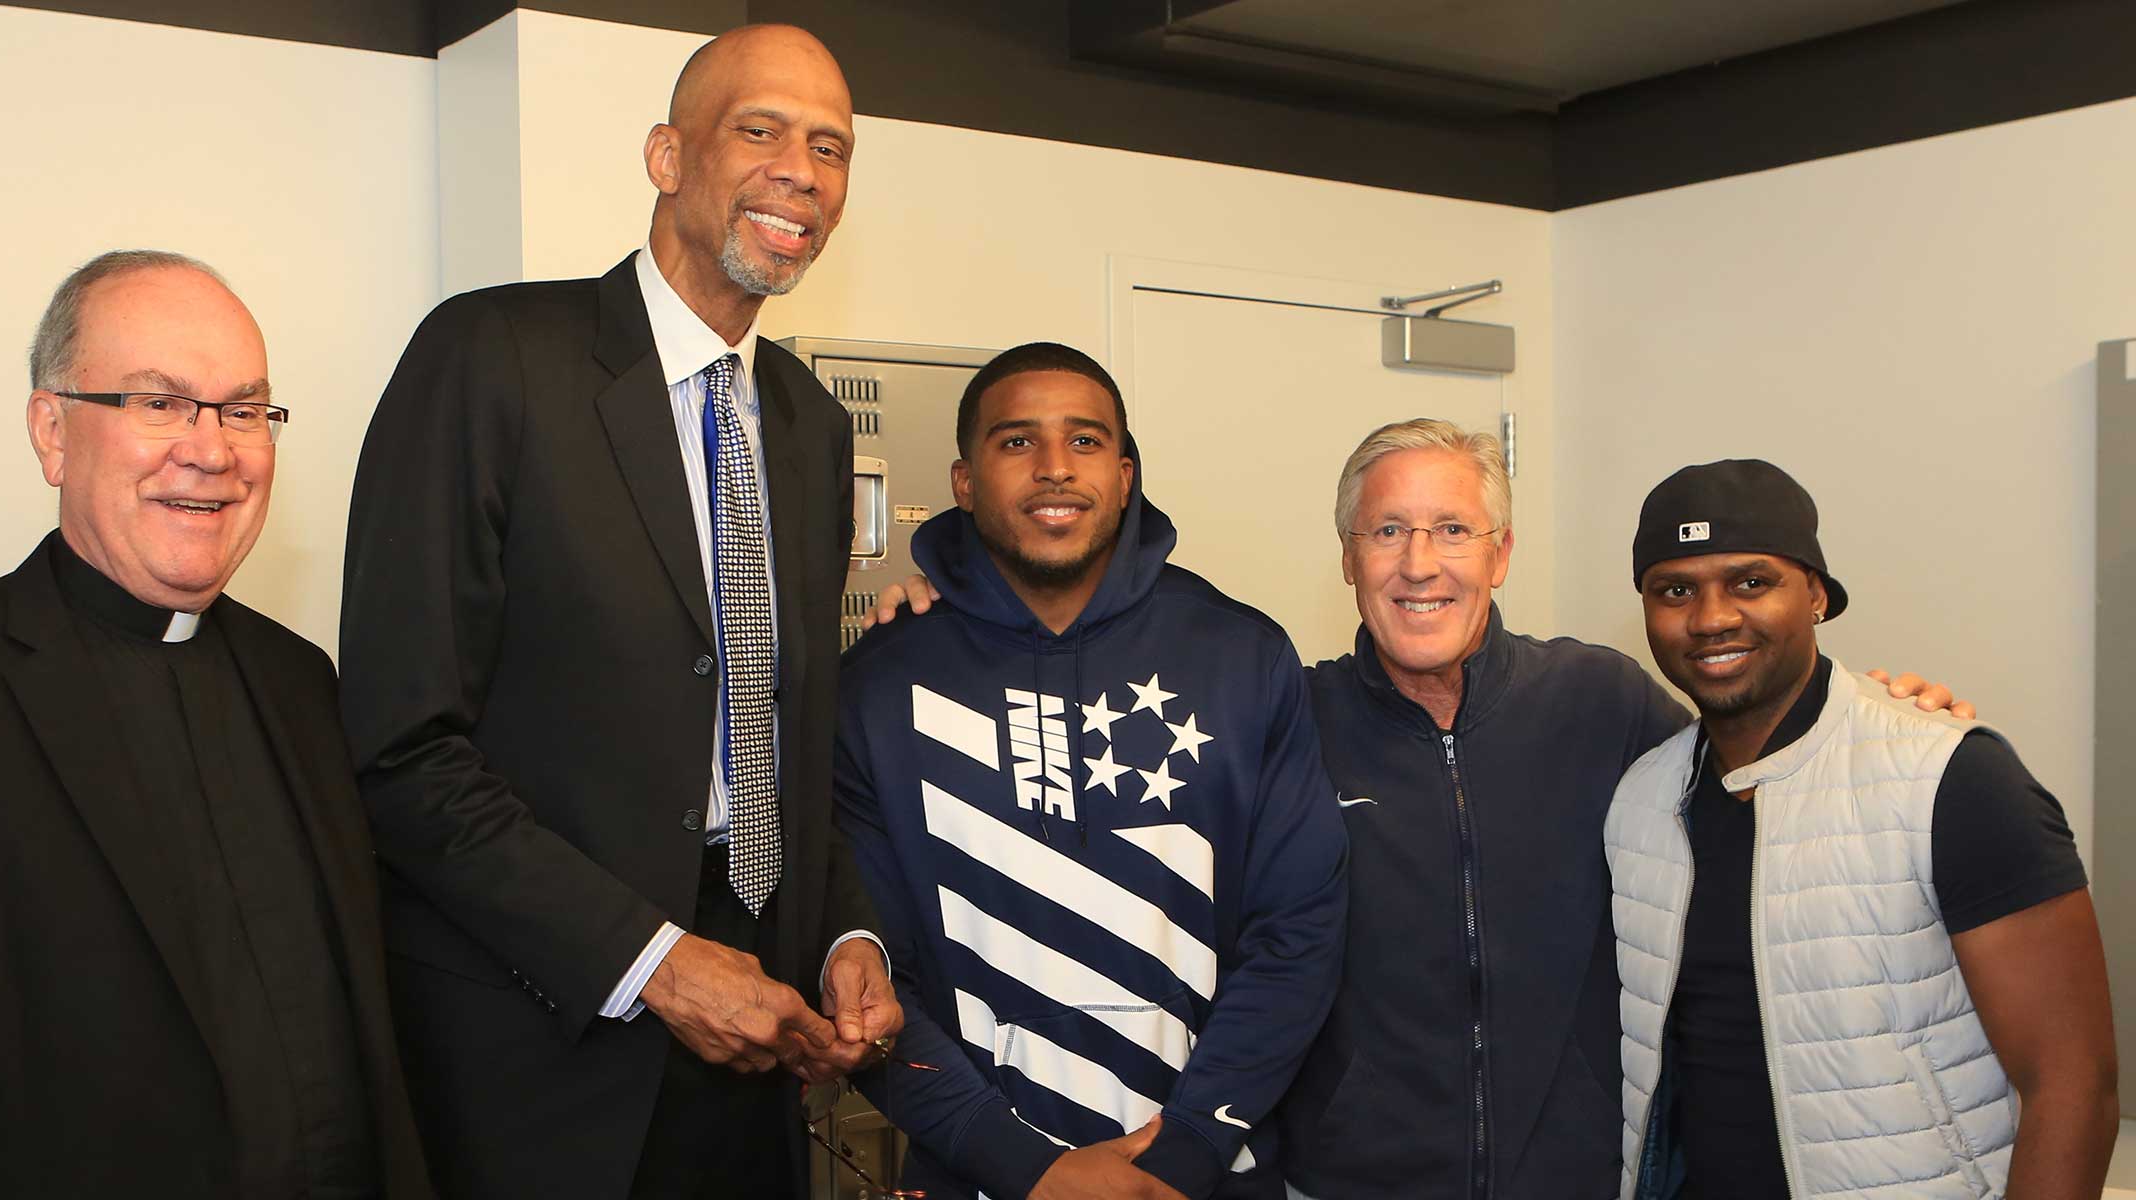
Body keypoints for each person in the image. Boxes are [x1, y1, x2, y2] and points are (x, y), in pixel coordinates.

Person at [876, 418, 1967, 1199]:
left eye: (1451, 530)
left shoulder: (1596, 700)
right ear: (1348, 559)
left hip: (1577, 1180)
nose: (1419, 565)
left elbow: (1749, 749)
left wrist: (1875, 712)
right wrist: (942, 607)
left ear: (1499, 553)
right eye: (1388, 533)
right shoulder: (1284, 717)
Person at [339, 23, 899, 1200]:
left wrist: (847, 935)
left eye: (831, 147)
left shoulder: (807, 426)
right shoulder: (493, 356)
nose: (802, 169)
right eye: (760, 130)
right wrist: (654, 963)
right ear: (665, 156)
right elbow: (401, 749)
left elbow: (780, 738)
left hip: (754, 1037)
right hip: (538, 1047)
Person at [0, 250, 432, 1199]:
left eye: (244, 409)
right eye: (158, 403)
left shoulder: (303, 683)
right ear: (52, 432)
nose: (211, 448)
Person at [835, 343, 1347, 1200]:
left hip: (1206, 1175)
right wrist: (1022, 1168)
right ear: (964, 482)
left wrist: (1188, 1148)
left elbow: (1300, 932)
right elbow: (863, 964)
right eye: (1015, 442)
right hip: (975, 1175)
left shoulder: (1242, 655)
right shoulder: (881, 681)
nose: (1053, 470)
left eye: (1084, 441)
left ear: (1124, 472)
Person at [1608, 459, 2115, 1199]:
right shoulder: (1640, 802)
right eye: (1675, 590)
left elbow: (2075, 1083)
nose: (1712, 617)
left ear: (1815, 594)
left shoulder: (1951, 778)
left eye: (1750, 582)